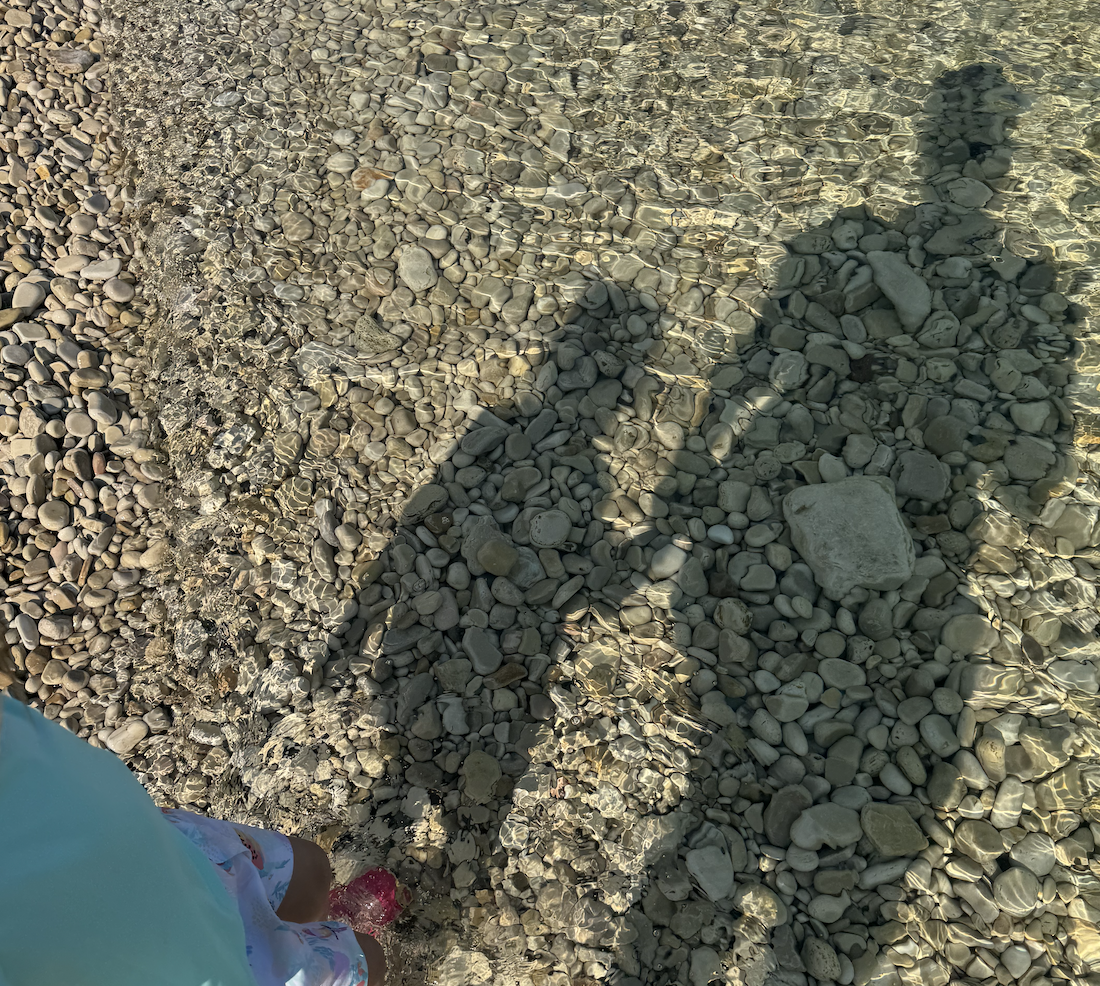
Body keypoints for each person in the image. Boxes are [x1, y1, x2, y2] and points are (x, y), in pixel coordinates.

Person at [0, 693, 390, 986]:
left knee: (309, 869)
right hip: (195, 967)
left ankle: (300, 932)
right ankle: (309, 945)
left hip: (171, 854)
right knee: (372, 962)